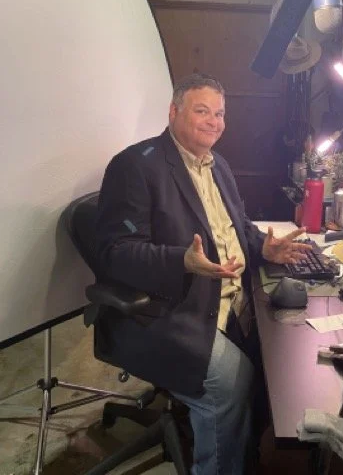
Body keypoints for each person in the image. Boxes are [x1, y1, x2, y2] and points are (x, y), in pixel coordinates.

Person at [95, 72, 310, 475]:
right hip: (171, 310)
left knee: (278, 365)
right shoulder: (135, 166)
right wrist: (182, 261)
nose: (214, 122)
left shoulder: (218, 164)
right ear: (174, 112)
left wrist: (263, 246)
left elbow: (237, 226)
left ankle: (242, 452)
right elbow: (114, 254)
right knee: (232, 385)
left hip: (231, 300)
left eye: (220, 113)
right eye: (202, 111)